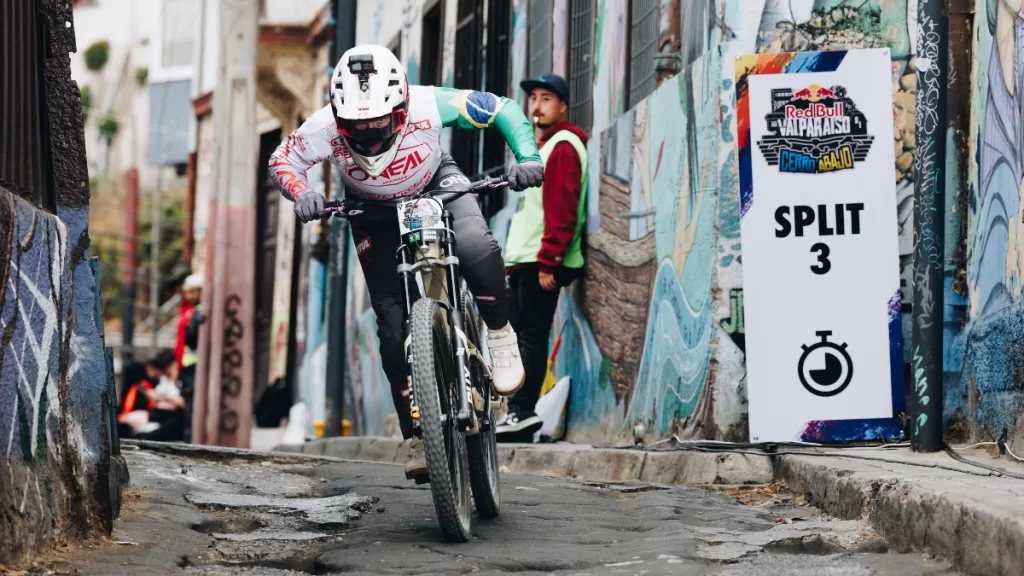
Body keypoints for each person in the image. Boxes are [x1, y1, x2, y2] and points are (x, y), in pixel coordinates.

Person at [269, 44, 544, 480]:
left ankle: (499, 332)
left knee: (475, 245)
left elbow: (503, 110)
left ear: (401, 104)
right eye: (357, 127)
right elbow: (283, 158)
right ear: (339, 118)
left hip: (438, 182)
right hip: (370, 211)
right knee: (392, 322)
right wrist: (303, 193)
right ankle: (418, 433)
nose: (370, 135)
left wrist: (527, 158)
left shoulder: (430, 102)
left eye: (379, 122)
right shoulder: (323, 126)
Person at [497, 73, 589, 439]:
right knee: (520, 338)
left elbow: (563, 208)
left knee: (531, 338)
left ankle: (523, 412)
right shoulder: (541, 148)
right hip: (525, 259)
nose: (536, 105)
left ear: (562, 106)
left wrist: (551, 260)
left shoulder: (563, 146)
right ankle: (519, 414)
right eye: (533, 97)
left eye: (546, 98)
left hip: (542, 262)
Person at [176, 273, 204, 442]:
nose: (186, 296)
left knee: (191, 408)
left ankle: (191, 438)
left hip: (193, 366)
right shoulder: (190, 310)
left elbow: (190, 339)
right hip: (187, 364)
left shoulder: (197, 312)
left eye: (190, 292)